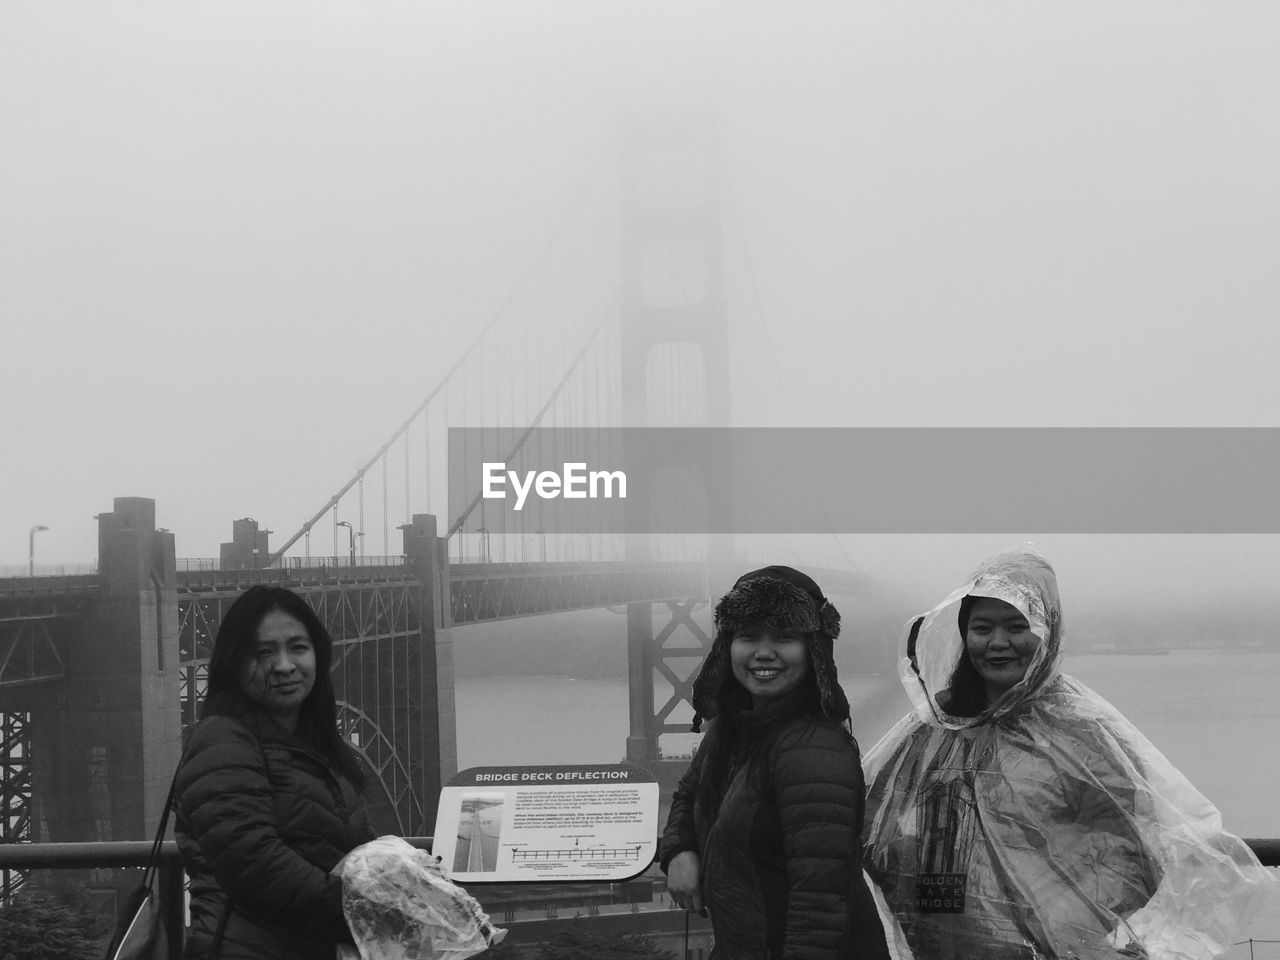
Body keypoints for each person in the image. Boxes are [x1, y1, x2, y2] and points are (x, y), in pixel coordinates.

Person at [863, 546, 1275, 960]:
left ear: (1047, 631)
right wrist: (915, 890)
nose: (998, 642)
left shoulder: (1077, 731)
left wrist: (1051, 920)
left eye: (1017, 626)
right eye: (982, 628)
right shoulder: (935, 727)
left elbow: (1134, 854)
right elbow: (875, 824)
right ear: (963, 633)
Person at [660, 566, 890, 960]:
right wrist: (679, 849)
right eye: (748, 636)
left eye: (784, 637)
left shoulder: (814, 752)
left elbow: (818, 911)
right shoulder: (734, 727)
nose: (763, 653)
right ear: (726, 646)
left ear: (814, 651)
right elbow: (689, 791)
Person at [174, 585, 376, 960]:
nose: (284, 666)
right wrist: (368, 914)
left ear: (318, 654)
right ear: (233, 663)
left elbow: (346, 847)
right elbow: (255, 865)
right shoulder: (222, 741)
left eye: (298, 648)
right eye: (263, 653)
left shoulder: (315, 745)